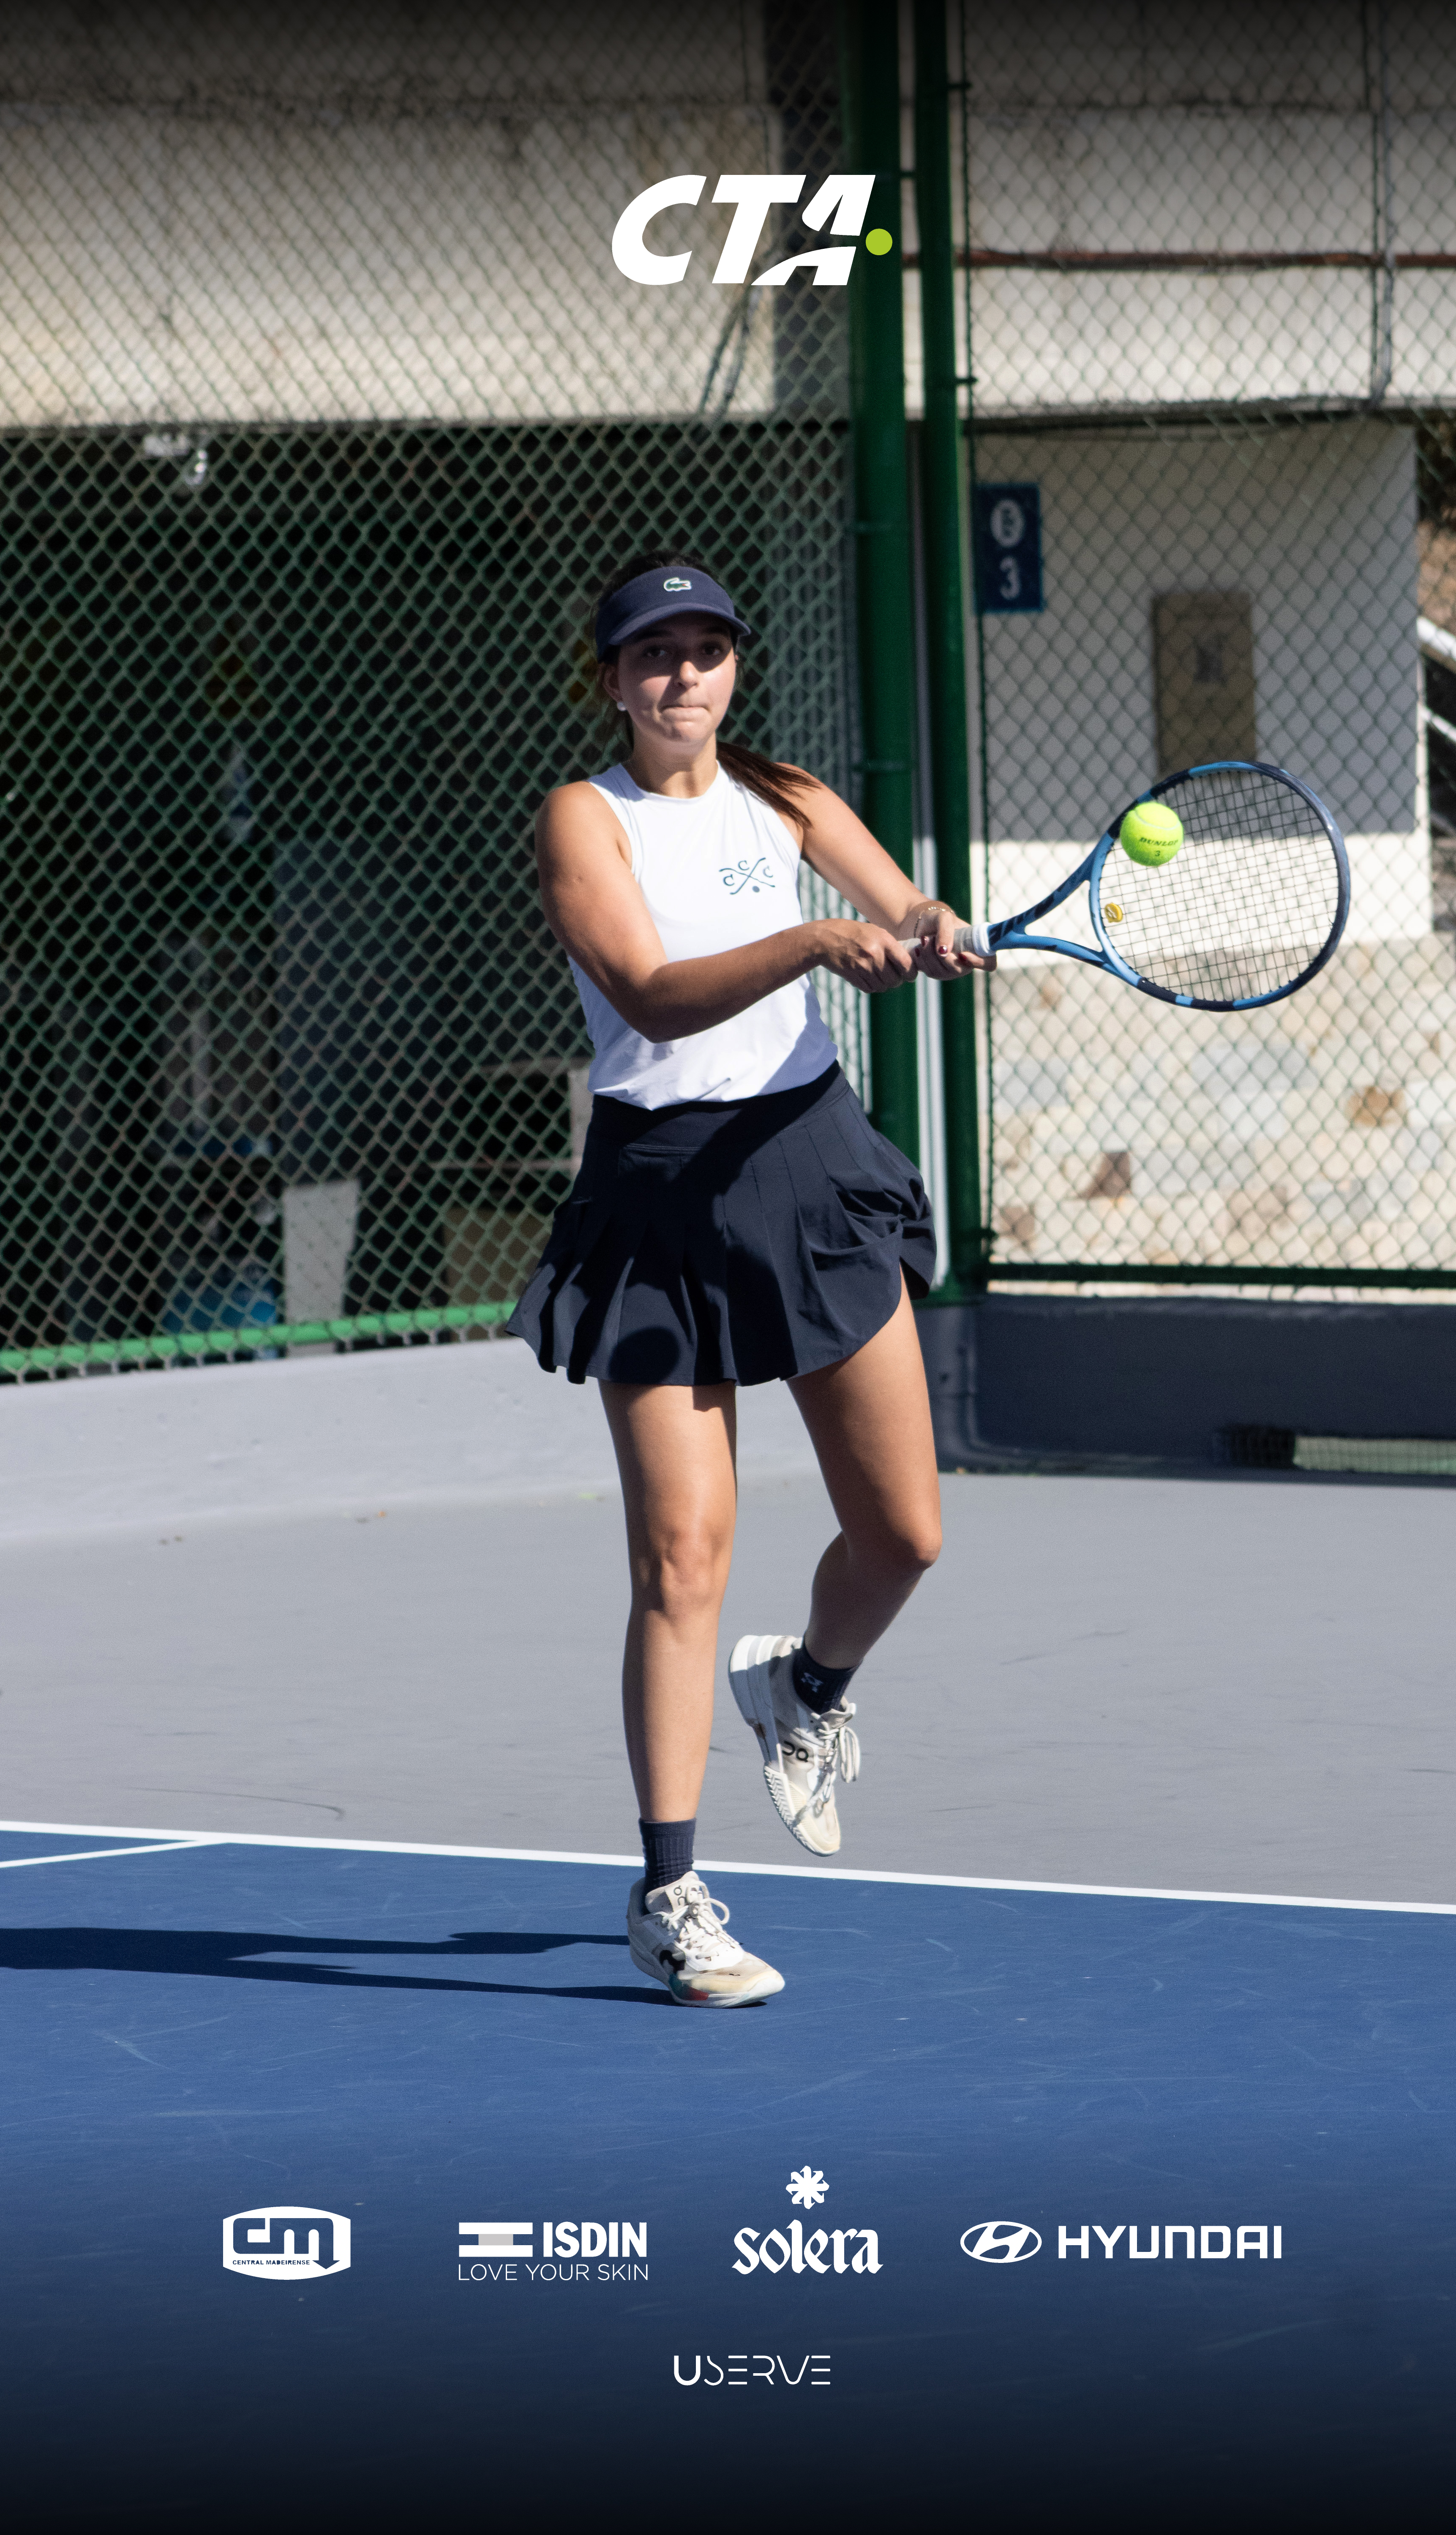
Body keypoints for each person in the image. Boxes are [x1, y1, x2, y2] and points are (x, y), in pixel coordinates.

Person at [510, 551, 990, 2006]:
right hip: (658, 1195)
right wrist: (815, 942)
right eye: (654, 655)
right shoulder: (580, 819)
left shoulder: (786, 801)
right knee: (682, 1559)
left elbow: (897, 903)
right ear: (613, 680)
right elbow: (653, 994)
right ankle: (670, 1892)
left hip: (809, 1166)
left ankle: (807, 1690)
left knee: (905, 1534)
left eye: (707, 650)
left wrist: (929, 931)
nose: (683, 677)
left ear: (734, 670)